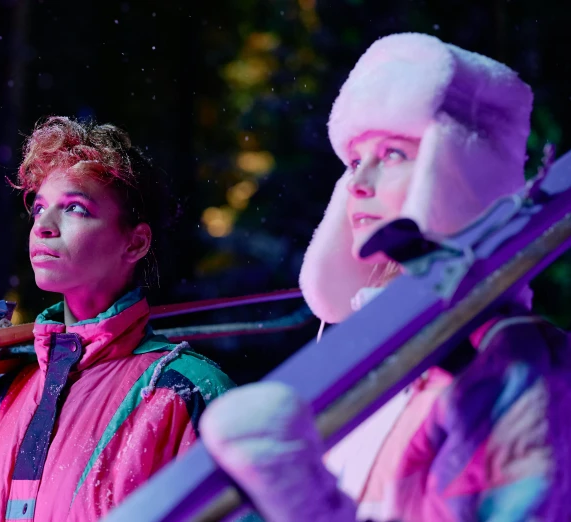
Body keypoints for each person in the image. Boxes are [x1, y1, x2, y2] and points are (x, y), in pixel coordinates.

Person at [200, 33, 571, 522]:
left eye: (393, 154)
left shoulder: (510, 360)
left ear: (456, 170)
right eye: (355, 161)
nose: (356, 181)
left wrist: (302, 503)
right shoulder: (361, 362)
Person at [0, 116, 235, 521]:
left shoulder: (184, 393)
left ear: (136, 242)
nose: (43, 226)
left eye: (75, 208)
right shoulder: (1, 393)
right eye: (39, 207)